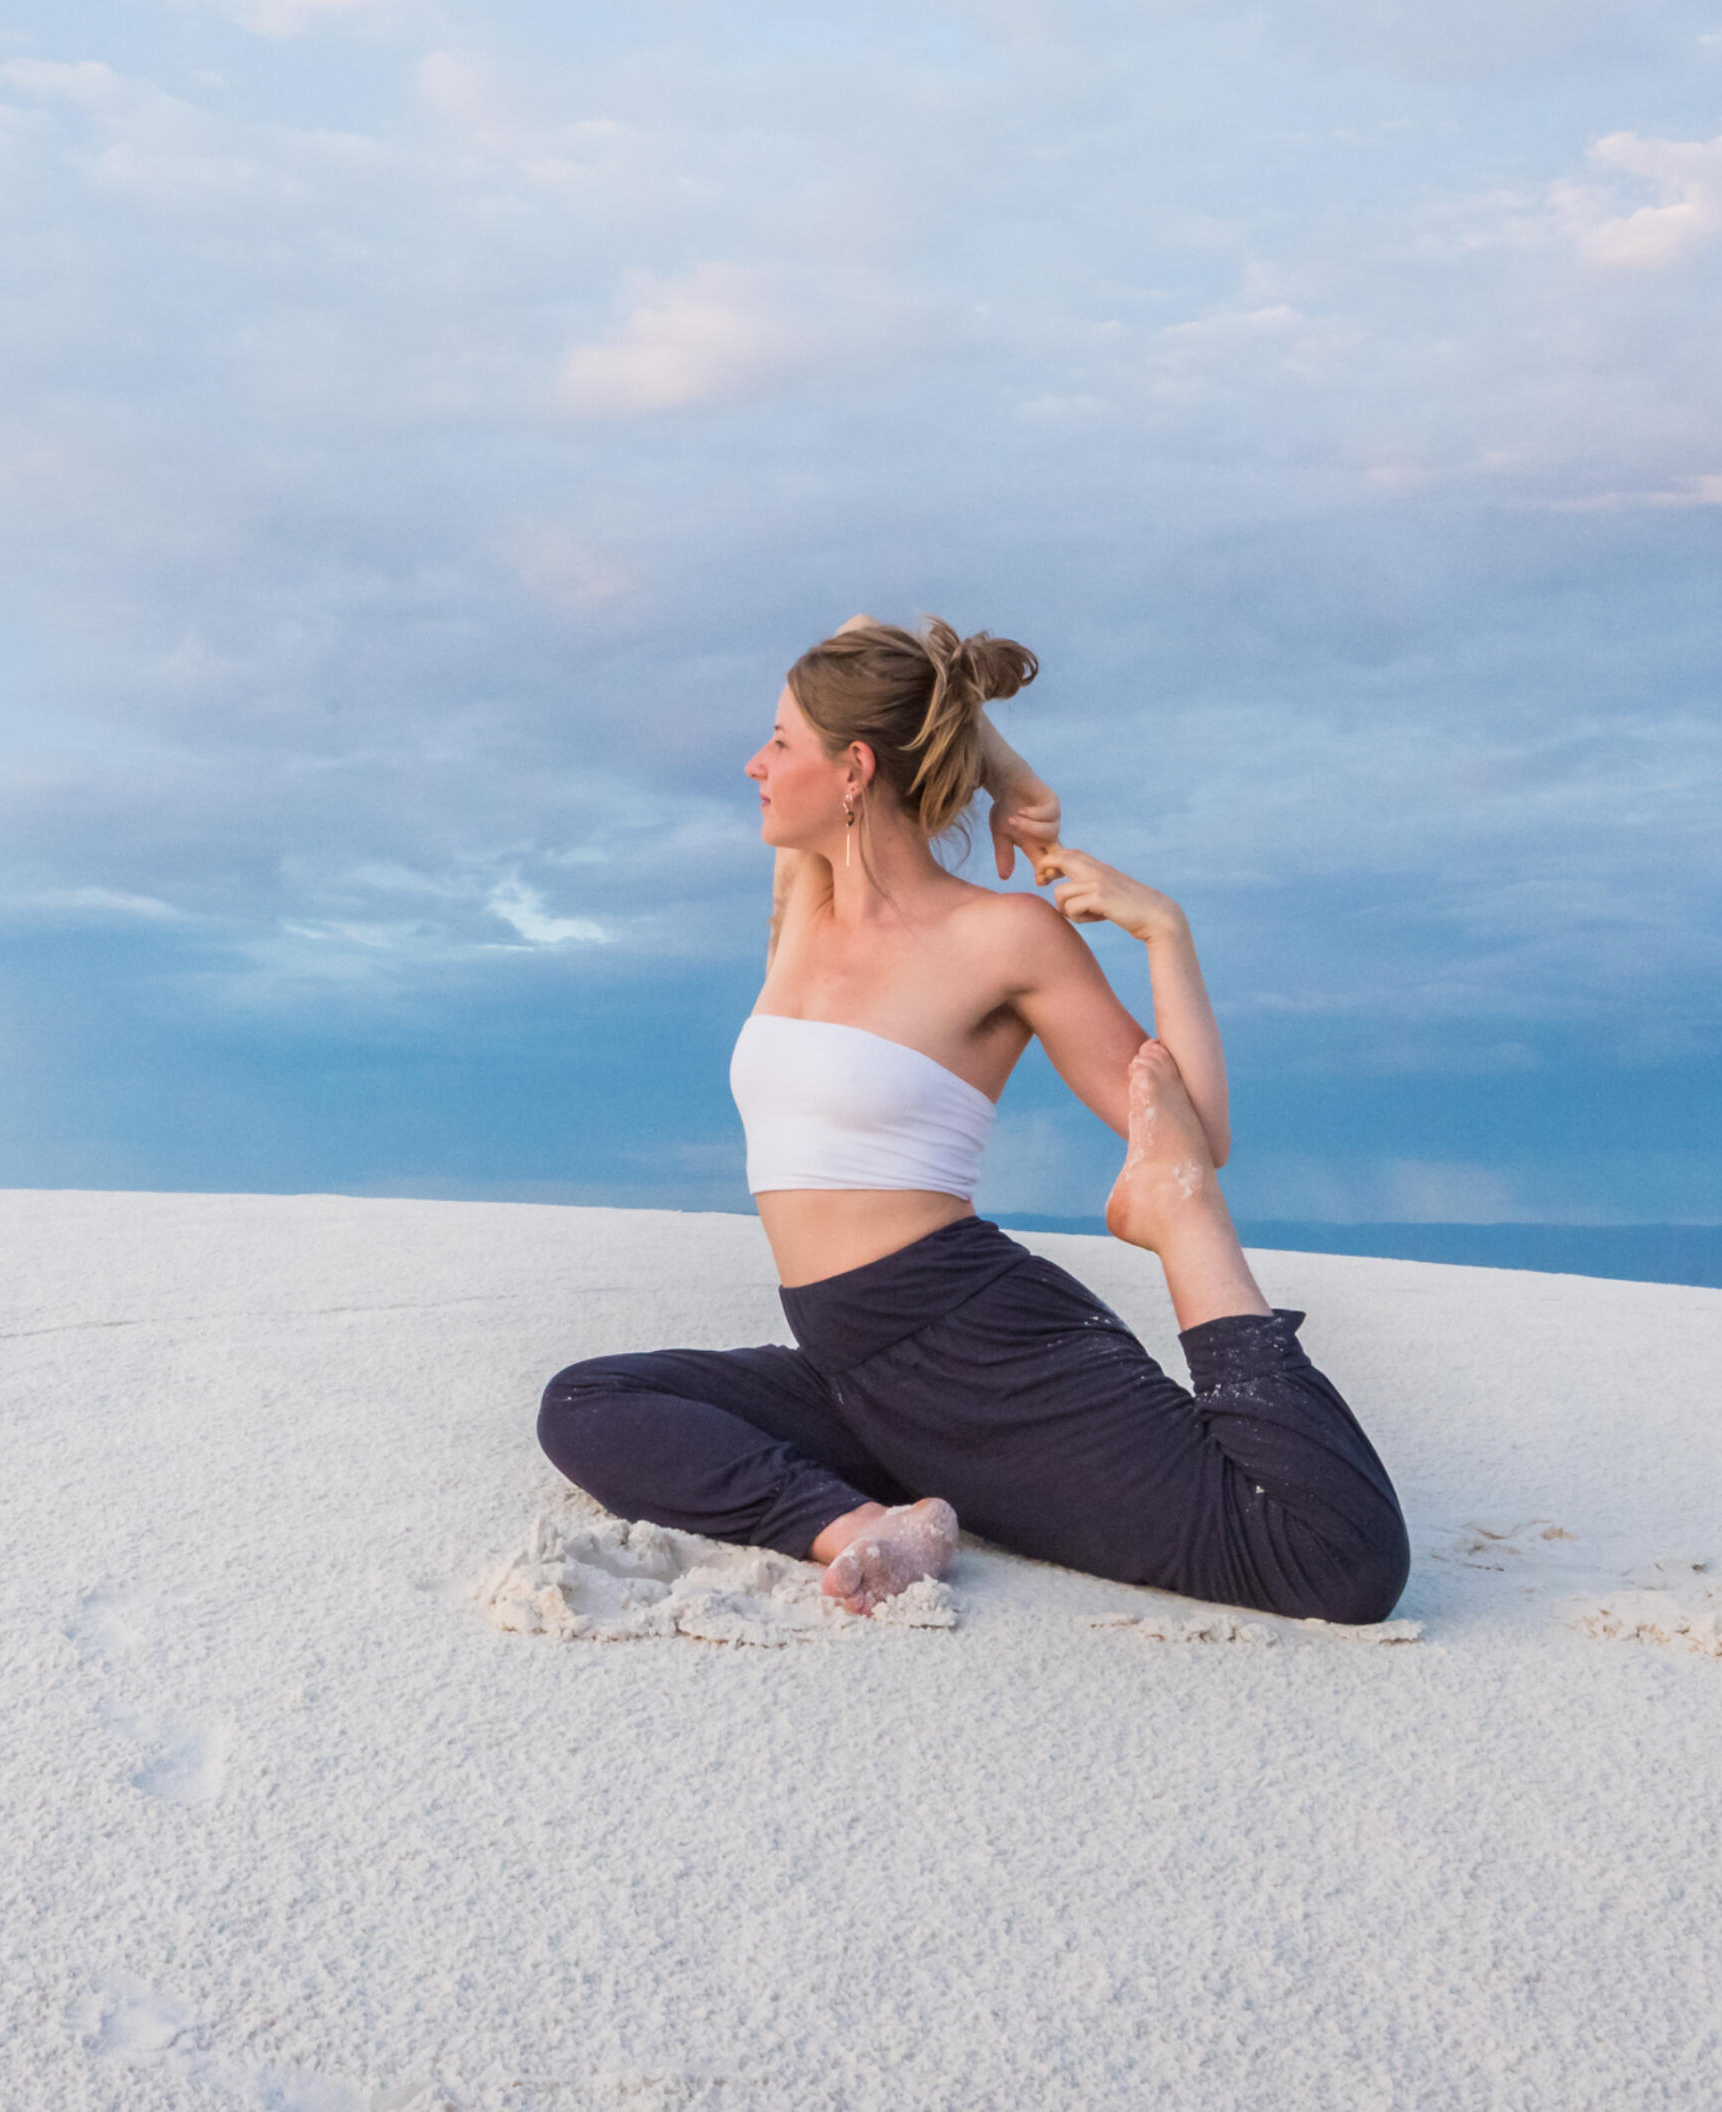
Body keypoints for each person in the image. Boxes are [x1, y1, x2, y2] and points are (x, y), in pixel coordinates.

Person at [535, 616, 1410, 1623]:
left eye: (779, 742)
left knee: (1328, 1561)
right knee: (587, 1403)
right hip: (849, 1369)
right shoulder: (806, 896)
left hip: (981, 1355)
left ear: (854, 767)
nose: (754, 764)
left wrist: (1166, 934)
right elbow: (863, 641)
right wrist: (1007, 771)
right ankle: (864, 1525)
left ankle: (1187, 1259)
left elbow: (1194, 1135)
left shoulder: (1003, 937)